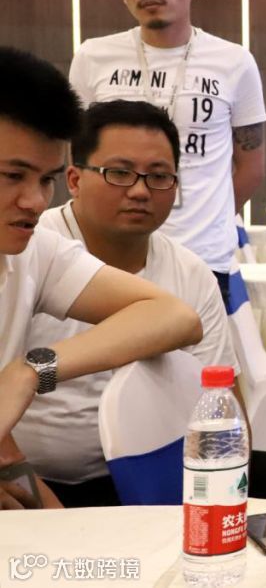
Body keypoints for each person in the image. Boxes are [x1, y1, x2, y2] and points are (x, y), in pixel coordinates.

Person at [0, 46, 202, 509]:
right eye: (13, 175)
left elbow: (173, 316)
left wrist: (32, 370)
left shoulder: (35, 251)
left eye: (45, 179)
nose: (35, 201)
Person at [68, 0, 266, 303]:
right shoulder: (93, 57)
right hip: (110, 258)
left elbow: (251, 167)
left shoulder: (234, 62)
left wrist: (205, 219)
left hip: (203, 257)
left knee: (197, 346)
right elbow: (77, 157)